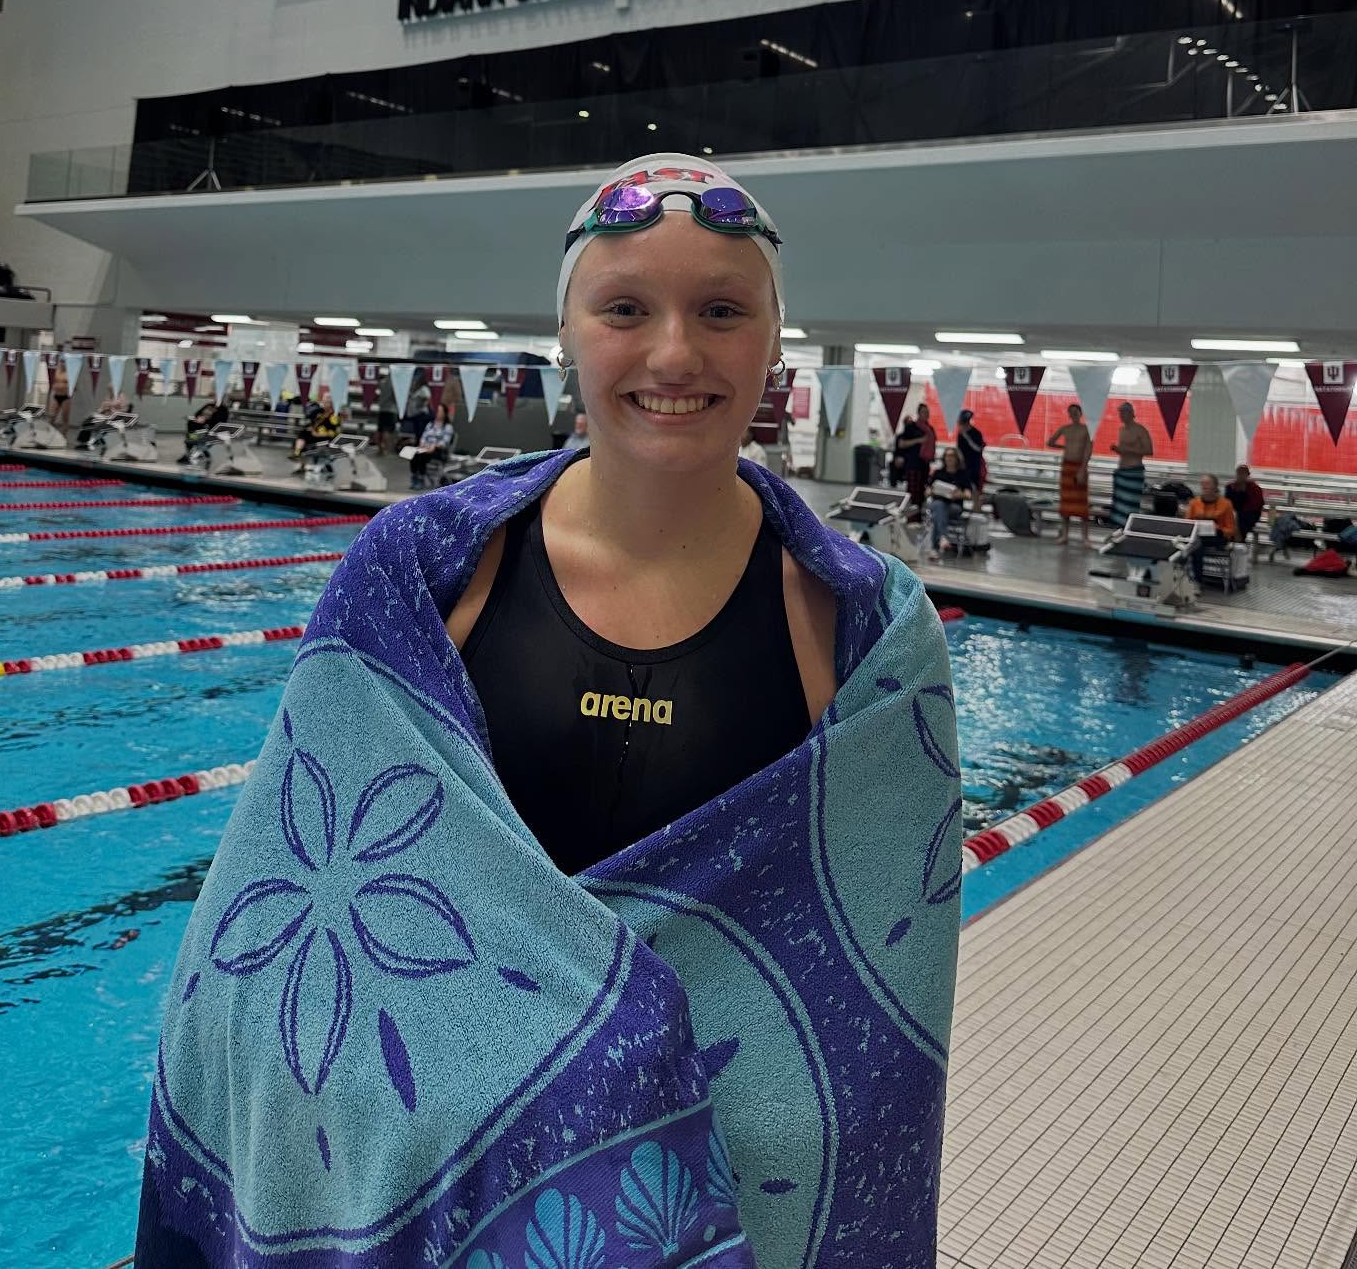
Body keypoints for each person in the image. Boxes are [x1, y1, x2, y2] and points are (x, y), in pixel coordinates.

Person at [137, 152, 960, 1269]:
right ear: (564, 330)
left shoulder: (860, 628)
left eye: (722, 310)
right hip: (446, 1192)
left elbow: (870, 1043)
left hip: (735, 1203)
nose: (675, 351)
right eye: (626, 308)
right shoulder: (426, 577)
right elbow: (269, 958)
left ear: (777, 341)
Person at [1047, 403, 1093, 547]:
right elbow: (1050, 442)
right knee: (1066, 504)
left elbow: (1088, 451)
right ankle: (1065, 535)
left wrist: (1082, 469)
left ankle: (1085, 537)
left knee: (1082, 505)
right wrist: (1064, 447)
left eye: (1075, 412)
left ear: (1081, 413)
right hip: (1067, 466)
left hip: (1080, 467)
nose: (1073, 414)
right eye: (1071, 412)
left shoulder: (1086, 430)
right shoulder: (1065, 429)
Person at [1186, 472, 1238, 581]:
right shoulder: (1194, 503)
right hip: (1197, 536)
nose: (1204, 486)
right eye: (1202, 484)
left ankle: (1197, 580)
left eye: (1208, 484)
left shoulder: (1226, 504)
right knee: (1194, 545)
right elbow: (1187, 523)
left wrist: (1218, 529)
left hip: (1218, 537)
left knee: (1195, 546)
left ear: (1215, 486)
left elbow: (1231, 530)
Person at [1109, 400, 1154, 526]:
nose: (1121, 416)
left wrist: (1125, 450)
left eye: (1123, 413)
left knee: (1130, 506)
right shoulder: (1121, 430)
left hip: (1134, 472)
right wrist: (1118, 450)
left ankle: (1128, 530)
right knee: (1119, 506)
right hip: (1122, 471)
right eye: (1120, 413)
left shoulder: (1140, 430)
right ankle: (1118, 530)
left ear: (1131, 413)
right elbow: (1124, 452)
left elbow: (1149, 451)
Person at [927, 445, 973, 556]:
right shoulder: (938, 473)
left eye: (951, 456)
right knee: (939, 506)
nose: (949, 458)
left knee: (937, 514)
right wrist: (933, 491)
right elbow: (927, 491)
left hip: (954, 506)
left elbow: (968, 495)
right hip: (938, 502)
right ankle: (943, 538)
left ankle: (936, 547)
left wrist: (958, 495)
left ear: (957, 458)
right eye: (947, 455)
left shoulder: (962, 474)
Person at [896, 401, 937, 518]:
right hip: (913, 464)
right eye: (924, 412)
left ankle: (918, 516)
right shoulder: (911, 427)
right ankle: (911, 517)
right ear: (919, 413)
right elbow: (901, 443)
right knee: (912, 492)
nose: (926, 414)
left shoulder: (930, 429)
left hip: (925, 464)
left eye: (927, 412)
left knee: (921, 493)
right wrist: (918, 441)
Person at [408, 399, 455, 487]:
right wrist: (423, 444)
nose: (438, 413)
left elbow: (444, 442)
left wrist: (433, 446)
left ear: (444, 413)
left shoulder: (448, 427)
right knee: (414, 454)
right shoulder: (430, 425)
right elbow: (424, 437)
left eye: (440, 411)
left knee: (422, 456)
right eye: (437, 411)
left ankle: (421, 478)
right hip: (425, 448)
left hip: (438, 450)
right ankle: (415, 476)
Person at [289, 386, 339, 461]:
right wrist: (312, 430)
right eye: (325, 399)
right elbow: (309, 421)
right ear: (322, 400)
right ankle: (297, 453)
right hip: (314, 435)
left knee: (308, 440)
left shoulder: (335, 415)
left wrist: (317, 434)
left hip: (326, 437)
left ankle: (300, 455)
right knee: (303, 433)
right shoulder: (318, 411)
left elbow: (334, 432)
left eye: (329, 399)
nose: (327, 401)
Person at [954, 409, 986, 513]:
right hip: (964, 465)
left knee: (975, 488)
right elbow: (958, 448)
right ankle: (960, 509)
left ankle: (976, 510)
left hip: (975, 464)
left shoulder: (976, 433)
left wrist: (967, 437)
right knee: (962, 486)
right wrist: (960, 461)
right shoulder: (960, 434)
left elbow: (978, 448)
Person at [1225, 464, 1265, 542]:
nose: (1240, 476)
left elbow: (1255, 506)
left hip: (1250, 514)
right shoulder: (1230, 486)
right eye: (1239, 473)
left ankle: (1238, 540)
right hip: (1233, 513)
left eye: (1243, 473)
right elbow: (1227, 502)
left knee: (1240, 520)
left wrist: (1243, 492)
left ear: (1247, 475)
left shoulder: (1255, 488)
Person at [374, 366, 400, 456]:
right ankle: (385, 449)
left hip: (382, 409)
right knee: (387, 431)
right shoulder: (395, 384)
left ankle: (380, 448)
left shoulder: (382, 383)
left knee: (380, 430)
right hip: (391, 410)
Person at [46, 361, 72, 436]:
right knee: (52, 416)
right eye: (61, 362)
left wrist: (65, 386)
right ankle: (48, 435)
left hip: (66, 397)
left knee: (65, 418)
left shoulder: (70, 374)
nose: (63, 364)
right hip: (56, 396)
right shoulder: (56, 372)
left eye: (64, 362)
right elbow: (51, 382)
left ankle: (63, 436)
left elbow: (74, 386)